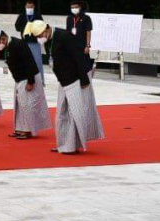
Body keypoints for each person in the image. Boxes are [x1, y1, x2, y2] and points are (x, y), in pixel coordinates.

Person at [31, 21, 105, 154]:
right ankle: (63, 144)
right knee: (61, 114)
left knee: (74, 114)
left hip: (76, 78)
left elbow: (78, 57)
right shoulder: (48, 40)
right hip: (64, 81)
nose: (39, 38)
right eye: (37, 36)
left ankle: (71, 146)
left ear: (47, 28)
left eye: (40, 35)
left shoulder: (65, 36)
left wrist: (84, 79)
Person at [0, 28, 51, 139]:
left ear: (3, 38)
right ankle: (20, 128)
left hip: (28, 77)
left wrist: (31, 81)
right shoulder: (9, 46)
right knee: (20, 105)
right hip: (20, 79)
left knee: (27, 105)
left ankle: (27, 130)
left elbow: (29, 61)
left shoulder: (18, 44)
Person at [14, 0, 44, 82]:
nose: (29, 8)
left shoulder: (37, 15)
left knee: (37, 61)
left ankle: (40, 80)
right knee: (25, 61)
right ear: (25, 7)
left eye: (31, 7)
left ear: (34, 7)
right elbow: (17, 26)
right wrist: (24, 29)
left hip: (35, 42)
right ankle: (26, 79)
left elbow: (42, 26)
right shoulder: (22, 15)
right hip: (25, 42)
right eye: (28, 7)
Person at [66, 1, 94, 77]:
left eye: (75, 7)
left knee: (84, 66)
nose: (74, 9)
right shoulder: (69, 18)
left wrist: (87, 46)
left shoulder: (86, 18)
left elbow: (88, 32)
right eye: (72, 8)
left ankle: (86, 80)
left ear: (80, 8)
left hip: (82, 46)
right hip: (72, 46)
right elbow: (67, 32)